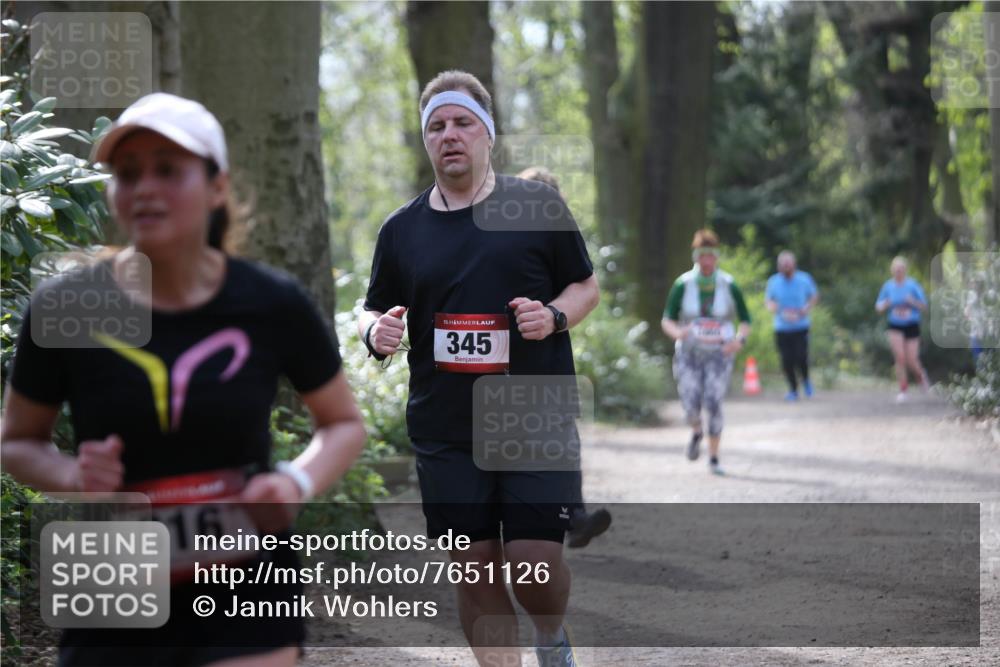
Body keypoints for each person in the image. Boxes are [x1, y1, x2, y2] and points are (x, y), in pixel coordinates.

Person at [0, 93, 367, 666]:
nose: (145, 187)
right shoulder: (66, 307)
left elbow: (342, 423)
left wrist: (295, 482)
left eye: (168, 170)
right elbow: (19, 441)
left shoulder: (272, 303)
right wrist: (71, 473)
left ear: (216, 187)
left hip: (247, 587)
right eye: (127, 173)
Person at [359, 71, 599, 667]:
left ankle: (551, 636)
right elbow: (370, 306)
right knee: (477, 575)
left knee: (535, 572)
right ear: (426, 141)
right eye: (436, 127)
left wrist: (554, 317)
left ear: (488, 135)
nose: (450, 136)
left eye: (463, 123)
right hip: (446, 430)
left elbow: (585, 285)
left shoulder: (536, 206)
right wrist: (374, 331)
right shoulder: (401, 229)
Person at [516, 165, 611, 551]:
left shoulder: (560, 242)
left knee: (561, 439)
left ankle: (574, 516)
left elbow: (583, 291)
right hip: (500, 366)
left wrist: (556, 314)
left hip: (549, 359)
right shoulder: (495, 241)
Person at [661, 230, 751, 476]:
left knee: (713, 401)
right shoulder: (683, 284)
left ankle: (713, 458)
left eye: (711, 255)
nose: (707, 261)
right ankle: (696, 430)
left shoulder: (729, 284)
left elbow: (745, 320)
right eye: (702, 255)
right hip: (689, 354)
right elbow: (667, 320)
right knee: (690, 403)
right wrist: (677, 333)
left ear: (717, 257)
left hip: (719, 355)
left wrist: (739, 342)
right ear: (696, 257)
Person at [765, 251, 819, 401]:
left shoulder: (804, 279)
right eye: (782, 264)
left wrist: (805, 309)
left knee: (801, 357)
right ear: (778, 266)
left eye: (788, 264)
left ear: (794, 264)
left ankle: (806, 380)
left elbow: (814, 296)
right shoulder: (773, 281)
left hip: (801, 326)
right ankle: (793, 389)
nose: (785, 267)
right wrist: (778, 310)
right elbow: (769, 302)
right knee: (786, 360)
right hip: (782, 327)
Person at [876, 256, 930, 403]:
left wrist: (912, 301)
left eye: (901, 269)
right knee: (899, 357)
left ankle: (921, 377)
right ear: (892, 270)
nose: (898, 272)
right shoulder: (888, 286)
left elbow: (924, 306)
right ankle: (903, 389)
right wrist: (886, 304)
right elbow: (878, 306)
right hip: (895, 325)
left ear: (905, 270)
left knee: (912, 359)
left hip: (911, 325)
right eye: (896, 269)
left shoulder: (913, 286)